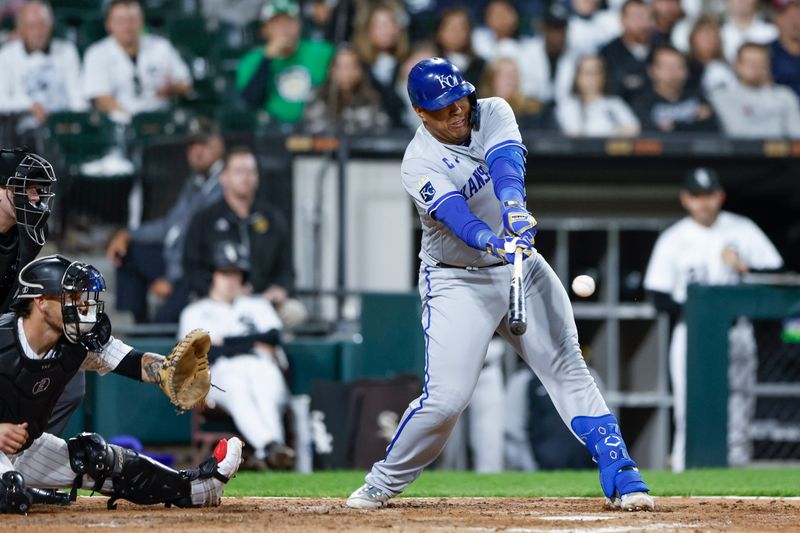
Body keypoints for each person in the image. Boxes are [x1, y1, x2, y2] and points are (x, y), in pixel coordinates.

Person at [345, 57, 654, 512]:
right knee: (447, 400)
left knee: (568, 366)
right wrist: (494, 240)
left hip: (520, 267)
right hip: (455, 281)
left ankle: (622, 472)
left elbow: (506, 162)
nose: (458, 111)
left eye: (460, 100)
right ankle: (384, 480)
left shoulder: (492, 110)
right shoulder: (418, 162)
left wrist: (513, 208)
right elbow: (456, 217)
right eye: (444, 107)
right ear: (419, 112)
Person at [0, 255, 243, 514]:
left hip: (21, 450)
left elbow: (133, 362)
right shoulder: (4, 338)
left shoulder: (77, 343)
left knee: (95, 459)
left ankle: (197, 489)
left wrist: (170, 372)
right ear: (40, 301)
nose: (82, 306)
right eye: (71, 297)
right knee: (9, 493)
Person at [644, 168, 783, 472]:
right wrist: (702, 314)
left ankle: (737, 482)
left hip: (737, 332)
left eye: (708, 196)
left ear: (719, 196)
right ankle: (682, 473)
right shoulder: (674, 238)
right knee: (688, 408)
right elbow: (659, 296)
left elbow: (777, 277)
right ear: (686, 199)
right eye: (697, 196)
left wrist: (743, 268)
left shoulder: (742, 229)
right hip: (691, 335)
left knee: (739, 407)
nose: (703, 203)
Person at [179, 241, 294, 471]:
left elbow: (274, 336)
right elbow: (196, 355)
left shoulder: (257, 304)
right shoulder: (195, 312)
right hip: (220, 371)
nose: (230, 280)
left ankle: (270, 449)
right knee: (236, 386)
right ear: (213, 275)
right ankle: (272, 446)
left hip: (259, 364)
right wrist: (250, 342)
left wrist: (225, 342)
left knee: (266, 385)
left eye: (236, 274)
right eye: (224, 273)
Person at [106, 116, 225, 323]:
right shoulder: (194, 184)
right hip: (176, 263)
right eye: (192, 146)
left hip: (199, 272)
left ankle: (150, 337)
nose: (196, 152)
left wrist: (170, 278)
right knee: (129, 252)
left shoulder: (224, 184)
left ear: (219, 145)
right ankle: (134, 324)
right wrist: (128, 234)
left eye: (203, 144)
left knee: (163, 322)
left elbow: (195, 242)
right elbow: (170, 226)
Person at [183, 146, 305, 329]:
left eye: (250, 172)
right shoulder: (205, 219)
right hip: (216, 301)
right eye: (239, 171)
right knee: (193, 317)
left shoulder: (271, 218)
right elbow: (190, 268)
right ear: (224, 177)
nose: (245, 177)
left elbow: (287, 270)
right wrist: (219, 290)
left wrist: (279, 289)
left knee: (296, 312)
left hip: (262, 301)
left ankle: (273, 354)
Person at [81, 0, 192, 123]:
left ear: (142, 21)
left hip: (161, 120)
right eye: (120, 21)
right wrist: (133, 122)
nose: (127, 26)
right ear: (108, 24)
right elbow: (101, 98)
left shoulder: (161, 46)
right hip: (118, 125)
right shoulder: (96, 53)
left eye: (132, 20)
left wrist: (172, 88)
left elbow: (186, 84)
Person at [237, 0, 334, 124]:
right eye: (277, 22)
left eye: (289, 21)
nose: (284, 28)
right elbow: (252, 100)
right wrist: (267, 59)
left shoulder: (322, 52)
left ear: (299, 25)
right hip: (273, 128)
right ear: (265, 29)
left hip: (317, 124)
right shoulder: (251, 61)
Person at [0, 1, 85, 126]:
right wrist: (28, 105)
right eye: (32, 26)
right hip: (23, 128)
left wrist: (77, 121)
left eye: (42, 25)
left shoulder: (67, 51)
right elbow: (1, 100)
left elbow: (77, 95)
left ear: (51, 25)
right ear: (21, 29)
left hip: (63, 125)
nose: (38, 32)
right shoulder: (7, 55)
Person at [709, 42, 800, 138]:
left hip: (780, 152)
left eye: (760, 62)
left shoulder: (785, 96)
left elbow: (796, 134)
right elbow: (736, 133)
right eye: (749, 62)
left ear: (768, 66)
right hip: (738, 152)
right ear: (736, 66)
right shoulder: (721, 97)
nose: (754, 67)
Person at [302, 45, 390, 135]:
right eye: (340, 67)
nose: (346, 73)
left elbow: (380, 130)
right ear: (331, 71)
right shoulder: (317, 97)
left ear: (360, 71)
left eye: (350, 67)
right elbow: (312, 130)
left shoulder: (371, 99)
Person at [632, 45, 719, 133]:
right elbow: (649, 134)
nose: (673, 72)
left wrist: (673, 126)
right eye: (667, 67)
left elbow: (712, 129)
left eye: (679, 66)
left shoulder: (698, 98)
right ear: (652, 71)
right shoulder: (642, 103)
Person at [351, 0, 409, 128]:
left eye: (390, 24)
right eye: (380, 25)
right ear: (368, 29)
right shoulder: (358, 65)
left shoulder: (407, 64)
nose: (386, 30)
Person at [556, 55, 640, 137]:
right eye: (587, 73)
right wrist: (614, 130)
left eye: (596, 72)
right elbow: (574, 135)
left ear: (604, 76)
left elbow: (634, 130)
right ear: (577, 77)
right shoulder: (568, 106)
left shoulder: (615, 103)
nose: (592, 78)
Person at [517, 3, 575, 104]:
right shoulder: (528, 53)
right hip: (534, 110)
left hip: (566, 112)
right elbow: (526, 91)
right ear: (543, 29)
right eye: (552, 29)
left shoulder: (574, 54)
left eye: (560, 29)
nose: (556, 35)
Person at [600, 0, 654, 104]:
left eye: (647, 17)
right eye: (636, 18)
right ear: (623, 20)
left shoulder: (661, 49)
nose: (642, 23)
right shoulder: (609, 54)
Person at [478, 57, 549, 129]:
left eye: (515, 75)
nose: (512, 79)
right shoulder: (479, 112)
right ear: (491, 79)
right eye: (506, 75)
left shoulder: (535, 110)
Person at [433, 7, 486, 88]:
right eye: (452, 28)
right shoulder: (432, 68)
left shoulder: (480, 66)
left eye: (462, 27)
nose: (457, 33)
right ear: (439, 32)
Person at [687, 16, 737, 95]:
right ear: (692, 39)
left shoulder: (729, 68)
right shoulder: (685, 67)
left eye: (712, 36)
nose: (708, 40)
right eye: (703, 36)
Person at [769, 0, 800, 98]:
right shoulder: (768, 53)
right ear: (776, 19)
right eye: (787, 16)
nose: (795, 22)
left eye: (798, 14)